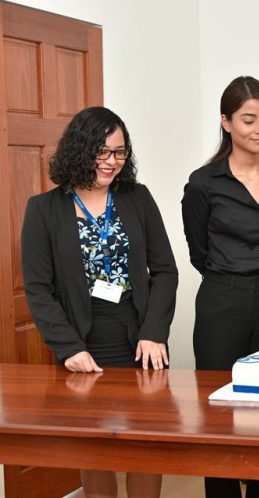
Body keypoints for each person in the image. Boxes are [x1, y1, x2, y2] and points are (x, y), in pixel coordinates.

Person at [21, 106, 178, 498]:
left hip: (139, 336)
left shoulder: (137, 198)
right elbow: (38, 289)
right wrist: (68, 347)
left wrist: (155, 332)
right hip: (82, 340)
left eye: (120, 152)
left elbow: (165, 271)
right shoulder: (44, 209)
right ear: (80, 150)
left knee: (144, 446)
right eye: (102, 152)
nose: (112, 162)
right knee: (95, 450)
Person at [182, 76, 259, 498]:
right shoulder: (203, 183)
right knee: (219, 411)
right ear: (226, 122)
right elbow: (199, 251)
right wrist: (233, 276)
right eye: (249, 120)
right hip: (221, 300)